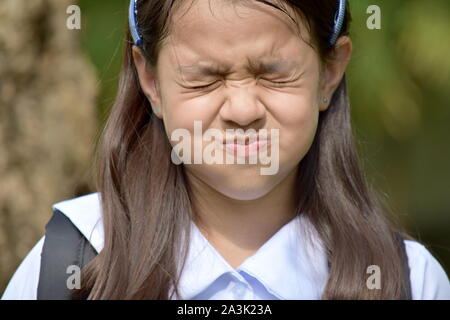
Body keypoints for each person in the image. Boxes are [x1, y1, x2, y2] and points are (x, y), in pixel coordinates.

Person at [2, 0, 449, 300]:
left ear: (329, 72)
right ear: (151, 80)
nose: (241, 109)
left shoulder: (405, 280)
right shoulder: (73, 264)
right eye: (205, 77)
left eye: (274, 74)